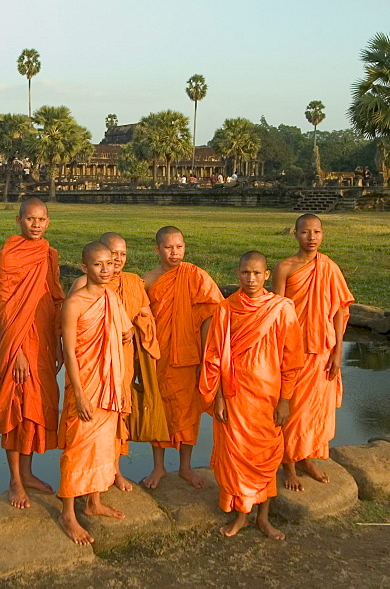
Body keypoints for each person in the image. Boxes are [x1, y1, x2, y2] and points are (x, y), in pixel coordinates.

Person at [201, 251, 303, 539]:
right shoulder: (226, 309)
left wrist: (285, 400)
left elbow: (292, 359)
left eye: (257, 273)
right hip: (235, 396)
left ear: (267, 275)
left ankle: (263, 518)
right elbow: (214, 356)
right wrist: (219, 396)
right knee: (236, 457)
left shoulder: (282, 309)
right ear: (237, 274)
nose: (251, 278)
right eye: (246, 273)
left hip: (268, 397)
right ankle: (241, 516)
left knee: (266, 457)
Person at [67, 232, 164, 491]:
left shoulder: (133, 283)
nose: (117, 261)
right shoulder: (81, 287)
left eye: (121, 255)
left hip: (121, 361)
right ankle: (83, 486)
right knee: (85, 427)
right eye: (112, 255)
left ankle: (114, 471)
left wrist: (136, 327)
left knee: (118, 417)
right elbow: (67, 333)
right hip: (89, 366)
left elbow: (144, 315)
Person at [58, 241, 133, 544]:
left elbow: (124, 332)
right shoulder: (74, 303)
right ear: (84, 267)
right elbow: (70, 353)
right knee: (78, 447)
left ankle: (94, 502)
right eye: (98, 265)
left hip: (109, 384)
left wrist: (125, 331)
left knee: (103, 445)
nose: (105, 270)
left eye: (110, 264)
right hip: (85, 385)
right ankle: (67, 513)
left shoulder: (112, 297)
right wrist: (80, 394)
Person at [0, 197, 65, 508]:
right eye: (30, 219)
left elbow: (56, 296)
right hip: (18, 344)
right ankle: (15, 481)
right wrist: (18, 350)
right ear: (19, 221)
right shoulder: (9, 255)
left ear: (48, 222)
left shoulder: (47, 254)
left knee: (37, 407)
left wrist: (59, 340)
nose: (36, 224)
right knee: (16, 407)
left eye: (41, 219)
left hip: (44, 340)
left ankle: (29, 472)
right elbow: (5, 306)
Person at [273, 214, 354, 490]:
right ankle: (289, 465)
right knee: (291, 410)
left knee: (315, 411)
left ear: (323, 234)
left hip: (322, 350)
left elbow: (339, 311)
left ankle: (306, 457)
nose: (312, 237)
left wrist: (337, 351)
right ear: (295, 234)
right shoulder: (284, 268)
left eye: (317, 232)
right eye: (306, 232)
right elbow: (277, 313)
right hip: (292, 349)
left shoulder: (329, 267)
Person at [142, 226, 223, 489]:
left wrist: (205, 354)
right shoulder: (149, 280)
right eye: (168, 247)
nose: (174, 252)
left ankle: (185, 467)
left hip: (189, 354)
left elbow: (211, 313)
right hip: (158, 355)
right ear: (157, 250)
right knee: (159, 409)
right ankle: (158, 467)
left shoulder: (195, 276)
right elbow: (141, 319)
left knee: (188, 412)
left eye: (179, 246)